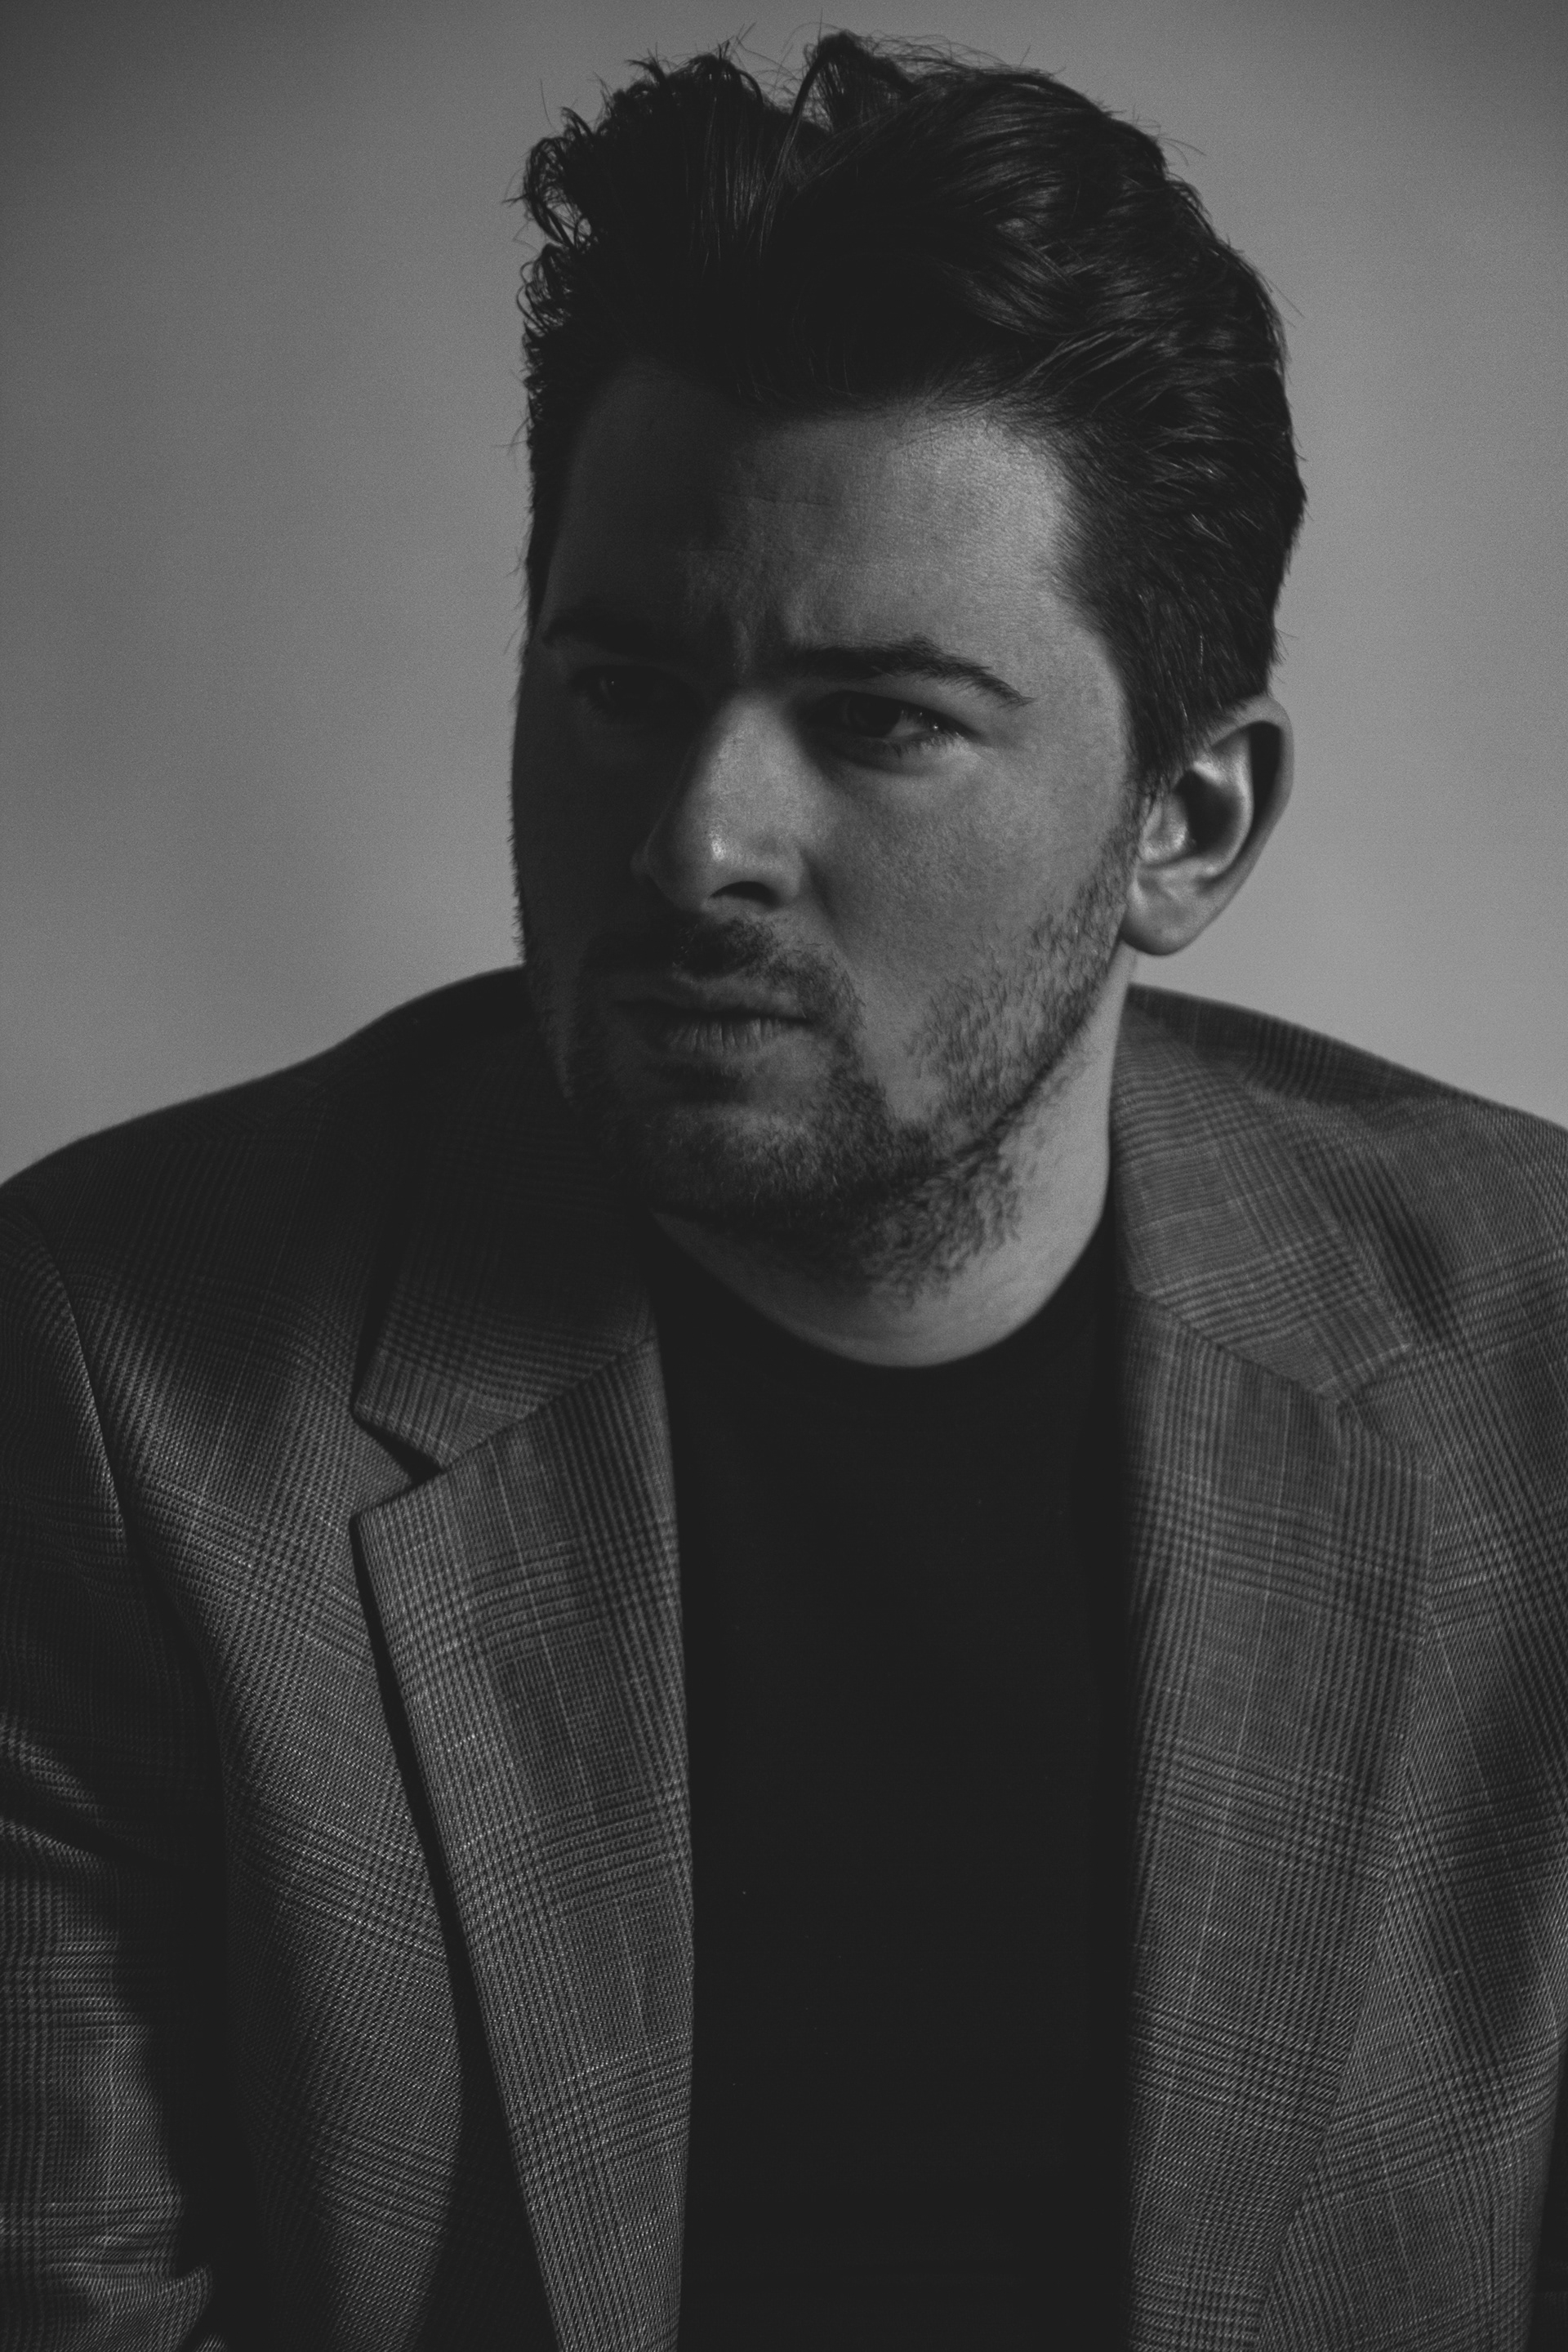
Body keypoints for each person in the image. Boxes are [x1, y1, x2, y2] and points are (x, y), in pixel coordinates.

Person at [2, 29, 1565, 2351]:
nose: (696, 841)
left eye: (883, 720)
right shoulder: (122, 1379)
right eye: (623, 684)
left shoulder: (1526, 1366)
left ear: (1188, 824)